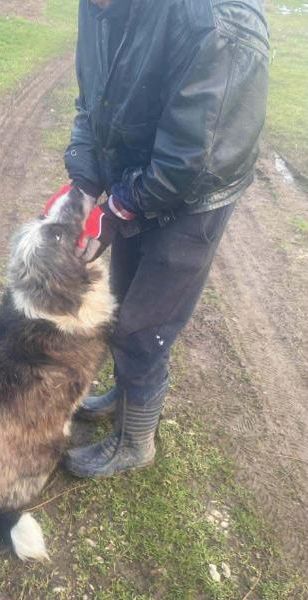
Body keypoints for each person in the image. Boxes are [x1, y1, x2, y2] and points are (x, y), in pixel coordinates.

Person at [59, 0, 269, 478]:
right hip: (140, 171)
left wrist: (117, 207)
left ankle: (135, 443)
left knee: (143, 326)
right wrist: (86, 182)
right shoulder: (99, 7)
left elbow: (194, 157)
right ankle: (125, 395)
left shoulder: (215, 19)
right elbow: (93, 101)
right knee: (122, 300)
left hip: (196, 192)